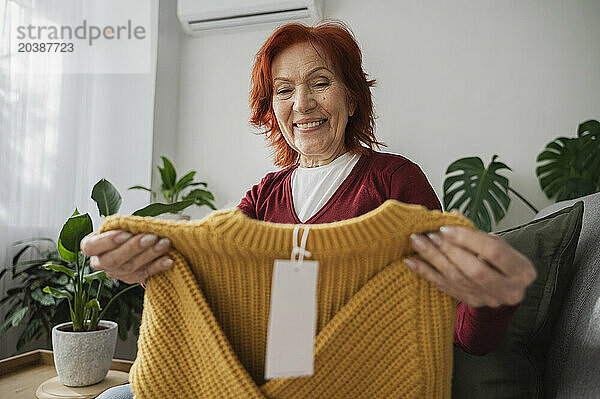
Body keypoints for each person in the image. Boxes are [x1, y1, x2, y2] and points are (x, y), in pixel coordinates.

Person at [88, 21, 536, 398]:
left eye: (320, 83)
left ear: (353, 97)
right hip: (252, 380)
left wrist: (491, 302)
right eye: (284, 90)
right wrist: (148, 264)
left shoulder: (395, 181)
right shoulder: (264, 194)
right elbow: (210, 279)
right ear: (273, 109)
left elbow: (459, 334)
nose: (301, 103)